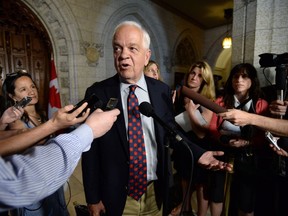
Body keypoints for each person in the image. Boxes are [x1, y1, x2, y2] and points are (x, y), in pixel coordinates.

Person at [81, 20, 232, 216]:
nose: (123, 55)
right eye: (117, 48)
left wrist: (199, 153)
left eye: (132, 48)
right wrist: (92, 198)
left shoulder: (161, 91)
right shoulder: (98, 92)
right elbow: (89, 149)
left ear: (147, 56)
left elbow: (172, 130)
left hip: (155, 193)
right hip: (117, 196)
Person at [0, 104, 120, 212]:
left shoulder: (40, 113)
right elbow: (16, 183)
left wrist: (54, 124)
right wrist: (87, 132)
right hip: (36, 187)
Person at [1, 71, 68, 216]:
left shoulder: (41, 114)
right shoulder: (16, 122)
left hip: (50, 176)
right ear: (13, 97)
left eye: (32, 86)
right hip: (33, 182)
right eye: (23, 89)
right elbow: (28, 143)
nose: (31, 91)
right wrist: (55, 124)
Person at [208, 63, 269, 216]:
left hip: (248, 156)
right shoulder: (221, 101)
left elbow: (265, 135)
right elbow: (212, 128)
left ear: (252, 81)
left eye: (244, 76)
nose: (239, 80)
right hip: (223, 151)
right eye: (236, 76)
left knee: (246, 198)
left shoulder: (261, 105)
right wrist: (225, 140)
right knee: (216, 193)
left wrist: (248, 142)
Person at [171, 61, 215, 216]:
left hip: (201, 146)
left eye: (200, 76)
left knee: (201, 185)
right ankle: (185, 209)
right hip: (184, 144)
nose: (195, 77)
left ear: (205, 80)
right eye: (193, 73)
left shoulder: (207, 101)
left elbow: (201, 133)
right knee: (184, 179)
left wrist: (190, 110)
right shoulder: (179, 94)